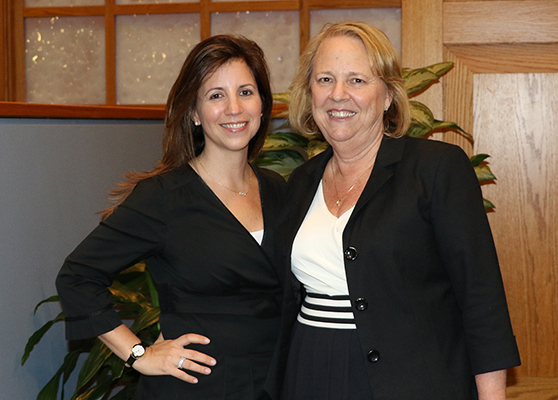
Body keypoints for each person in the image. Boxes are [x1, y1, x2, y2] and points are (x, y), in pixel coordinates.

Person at [272, 22, 521, 399]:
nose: (338, 95)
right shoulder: (302, 181)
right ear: (310, 93)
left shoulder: (436, 169)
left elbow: (481, 300)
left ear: (388, 95)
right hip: (310, 373)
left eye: (357, 80)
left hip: (414, 382)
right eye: (325, 79)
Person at [56, 34, 286, 400]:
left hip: (275, 382)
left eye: (245, 92)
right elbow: (77, 276)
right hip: (198, 388)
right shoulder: (164, 198)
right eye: (216, 95)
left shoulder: (280, 190)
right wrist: (139, 354)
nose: (233, 108)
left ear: (262, 105)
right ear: (194, 113)